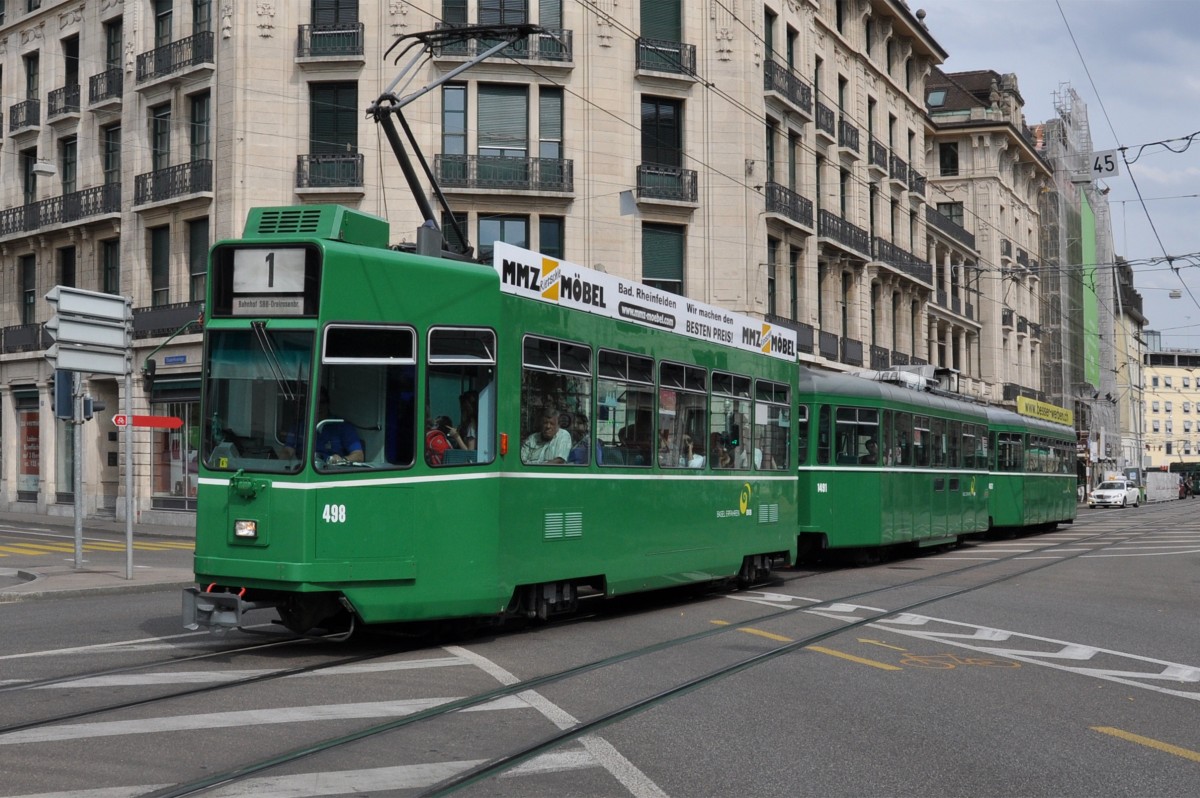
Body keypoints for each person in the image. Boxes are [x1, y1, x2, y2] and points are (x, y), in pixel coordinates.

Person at [284, 389, 364, 464]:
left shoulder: (342, 426)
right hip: (304, 470)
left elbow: (359, 455)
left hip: (331, 473)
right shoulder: (298, 427)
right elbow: (288, 451)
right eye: (314, 403)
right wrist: (283, 458)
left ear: (328, 404)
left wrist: (341, 460)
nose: (318, 407)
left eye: (322, 402)